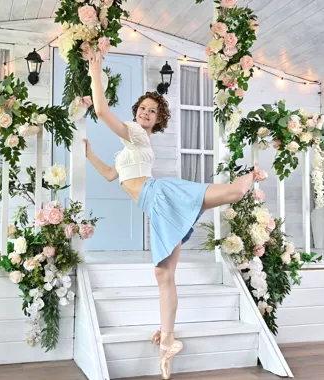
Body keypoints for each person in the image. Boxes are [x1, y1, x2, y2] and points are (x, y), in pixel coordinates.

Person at [84, 56, 264, 379]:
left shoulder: (137, 134)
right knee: (164, 276)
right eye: (143, 108)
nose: (145, 113)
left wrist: (95, 72)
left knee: (228, 195)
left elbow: (100, 111)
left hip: (160, 195)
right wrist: (89, 154)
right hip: (156, 205)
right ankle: (168, 339)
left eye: (152, 111)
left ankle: (252, 175)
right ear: (137, 110)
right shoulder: (129, 146)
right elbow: (112, 175)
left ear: (155, 121)